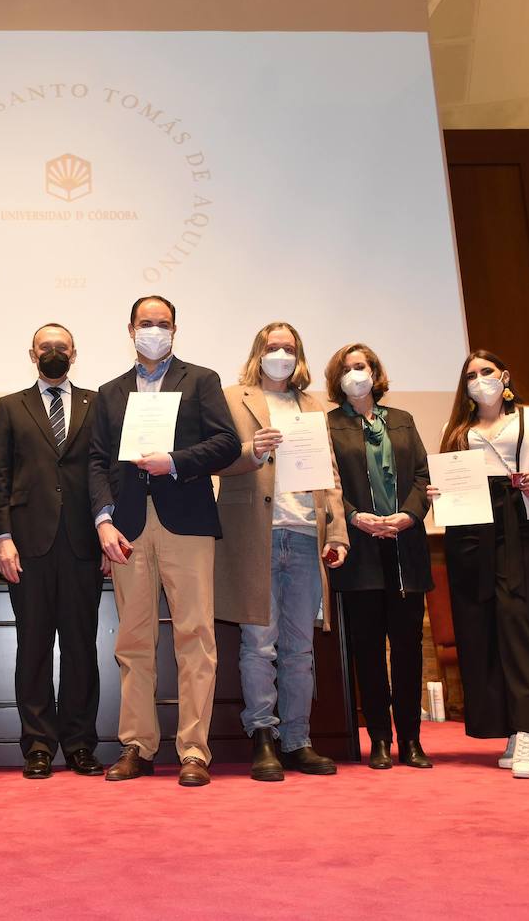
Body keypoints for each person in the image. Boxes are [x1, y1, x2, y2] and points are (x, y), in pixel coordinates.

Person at [89, 296, 241, 787]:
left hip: (188, 522)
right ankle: (138, 745)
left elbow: (226, 443)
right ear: (129, 329)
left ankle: (195, 750)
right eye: (145, 323)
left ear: (175, 329)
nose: (154, 330)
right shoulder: (110, 393)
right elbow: (96, 463)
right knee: (133, 640)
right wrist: (103, 521)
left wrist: (173, 461)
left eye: (163, 324)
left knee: (195, 635)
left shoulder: (200, 380)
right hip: (128, 527)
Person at [214, 322, 350, 781]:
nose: (281, 354)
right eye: (272, 347)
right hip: (256, 535)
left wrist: (337, 534)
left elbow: (329, 472)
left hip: (306, 534)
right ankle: (263, 738)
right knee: (258, 645)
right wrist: (251, 451)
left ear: (299, 355)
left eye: (288, 348)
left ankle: (298, 740)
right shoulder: (233, 397)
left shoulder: (313, 405)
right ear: (258, 352)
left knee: (301, 650)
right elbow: (216, 459)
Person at [431, 350, 529, 779]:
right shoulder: (456, 430)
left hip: (521, 524)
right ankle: (507, 729)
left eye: (486, 371)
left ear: (504, 375)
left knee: (518, 623)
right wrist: (439, 494)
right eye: (470, 375)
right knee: (481, 627)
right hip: (470, 531)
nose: (479, 380)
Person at [0, 324, 104, 779]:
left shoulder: (99, 403)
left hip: (82, 544)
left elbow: (105, 470)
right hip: (27, 544)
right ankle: (37, 744)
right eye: (45, 347)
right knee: (32, 647)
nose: (53, 352)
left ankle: (79, 744)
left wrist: (106, 534)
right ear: (31, 354)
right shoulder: (9, 405)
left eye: (61, 347)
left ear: (74, 353)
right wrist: (1, 538)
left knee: (81, 648)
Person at [325, 343, 435, 770]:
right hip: (359, 549)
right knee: (367, 649)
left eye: (362, 366)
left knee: (407, 648)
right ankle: (380, 739)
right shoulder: (328, 424)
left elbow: (423, 473)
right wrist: (355, 518)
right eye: (348, 369)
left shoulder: (402, 420)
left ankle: (411, 739)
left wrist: (408, 515)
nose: (357, 374)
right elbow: (327, 484)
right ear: (337, 379)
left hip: (406, 546)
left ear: (375, 372)